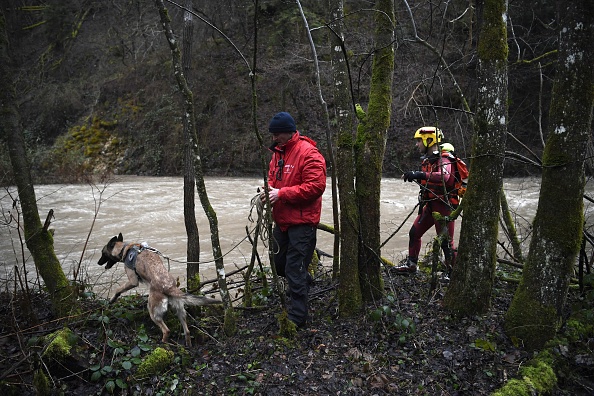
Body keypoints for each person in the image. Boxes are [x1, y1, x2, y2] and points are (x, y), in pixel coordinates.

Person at [261, 111, 326, 328]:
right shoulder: (277, 154)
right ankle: (304, 280)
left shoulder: (309, 154)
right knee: (279, 264)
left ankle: (298, 318)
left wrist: (281, 194)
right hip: (282, 220)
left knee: (293, 268)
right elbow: (272, 180)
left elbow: (316, 187)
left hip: (303, 222)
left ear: (288, 133)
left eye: (276, 134)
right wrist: (266, 192)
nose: (273, 139)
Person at [394, 126, 458, 274]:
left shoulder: (445, 159)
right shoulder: (430, 159)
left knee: (446, 242)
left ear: (429, 140)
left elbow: (445, 176)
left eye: (419, 141)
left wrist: (418, 175)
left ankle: (453, 273)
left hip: (443, 206)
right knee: (414, 233)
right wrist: (415, 177)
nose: (417, 144)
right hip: (431, 205)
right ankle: (411, 265)